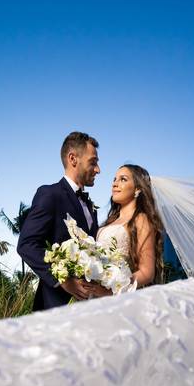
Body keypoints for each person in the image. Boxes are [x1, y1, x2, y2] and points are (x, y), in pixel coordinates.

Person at [16, 131, 102, 310]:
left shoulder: (90, 207)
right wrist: (63, 280)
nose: (98, 169)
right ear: (73, 159)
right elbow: (27, 244)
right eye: (93, 162)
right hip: (55, 306)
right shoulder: (50, 194)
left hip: (91, 306)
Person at [88, 164, 165, 298]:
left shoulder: (141, 219)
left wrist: (111, 292)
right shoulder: (110, 220)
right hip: (93, 292)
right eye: (114, 179)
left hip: (116, 297)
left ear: (138, 188)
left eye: (123, 179)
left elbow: (147, 272)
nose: (115, 184)